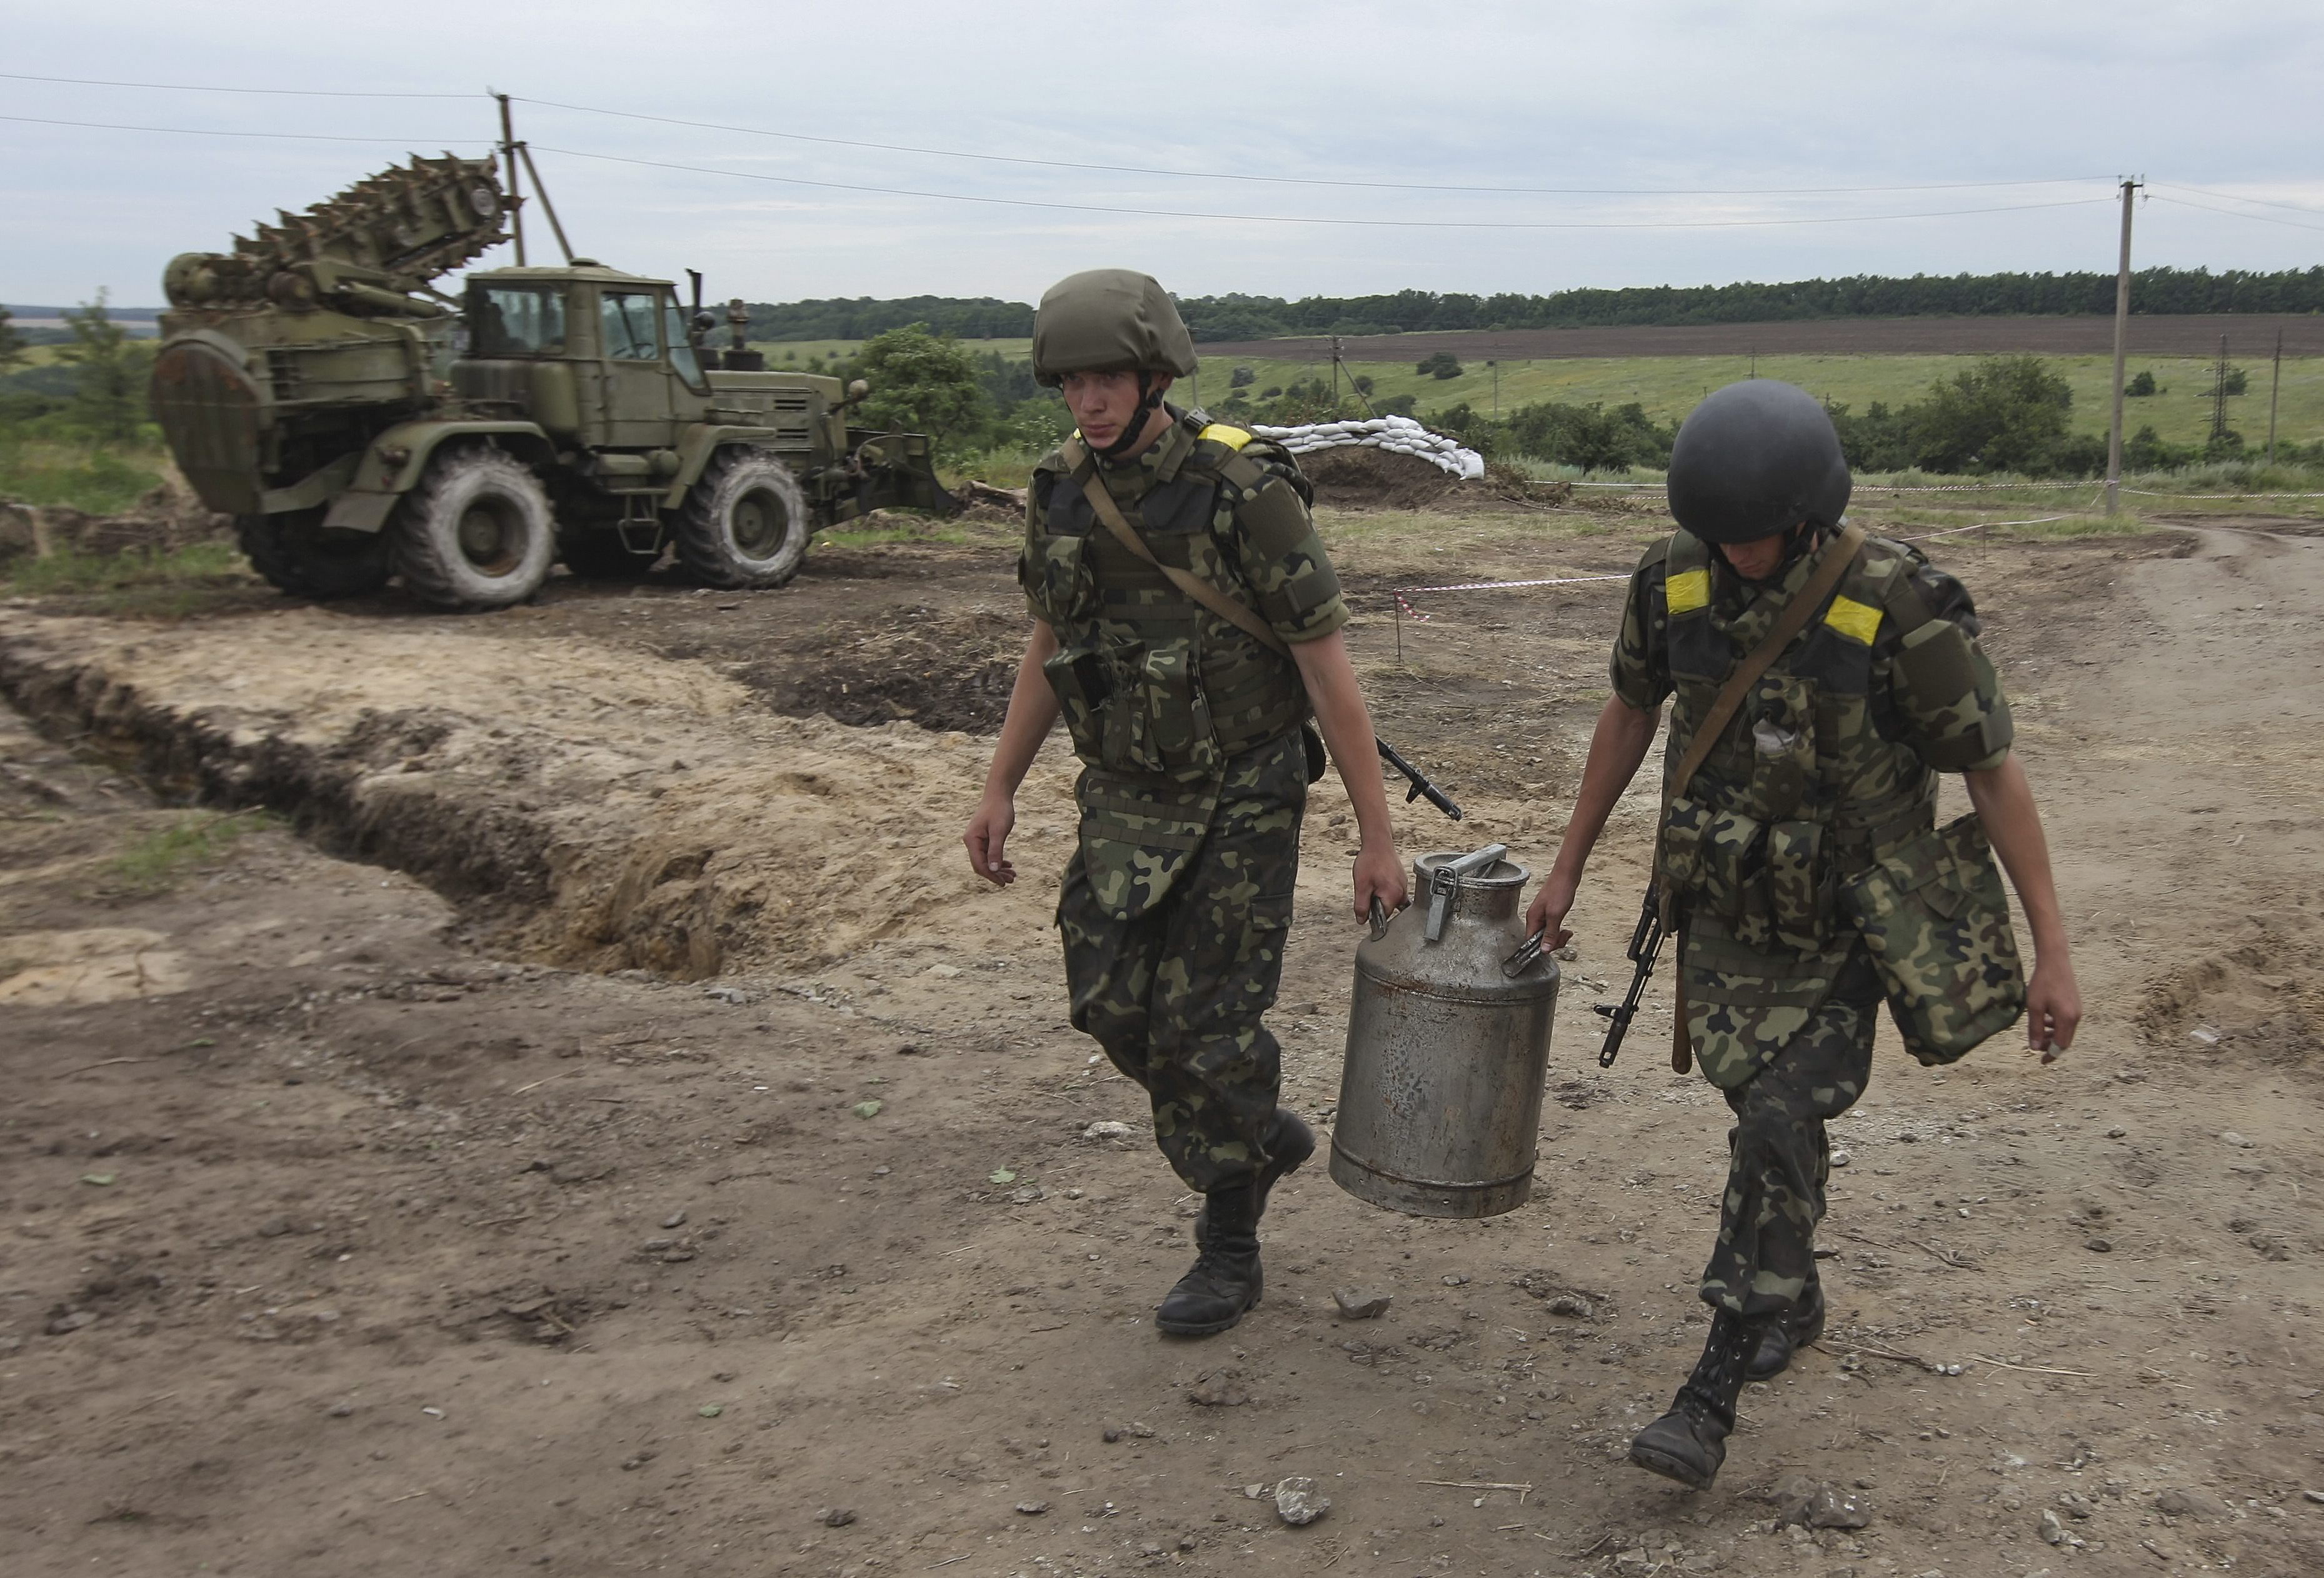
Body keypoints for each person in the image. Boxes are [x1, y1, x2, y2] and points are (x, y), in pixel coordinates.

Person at [1525, 378, 2081, 1489]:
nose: (1735, 553)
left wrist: (2052, 949)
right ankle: (1796, 1290)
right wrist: (1568, 863)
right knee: (1757, 1110)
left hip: (1851, 920)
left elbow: (1988, 768)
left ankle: (1711, 1387)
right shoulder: (1670, 580)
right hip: (1727, 906)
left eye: (1755, 535)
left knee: (1780, 1110)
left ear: (1811, 515)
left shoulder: (1897, 603)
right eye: (1718, 533)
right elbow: (1630, 711)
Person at [963, 269, 1410, 1337]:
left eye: (1109, 379)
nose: (1089, 401)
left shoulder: (1239, 489)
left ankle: (1228, 1236)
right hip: (1124, 789)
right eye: (1072, 383)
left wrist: (1375, 835)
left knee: (1206, 1027)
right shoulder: (1057, 489)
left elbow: (1324, 664)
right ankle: (1257, 1133)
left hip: (1242, 787)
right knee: (1111, 1004)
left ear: (1154, 376)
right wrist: (998, 784)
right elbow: (1049, 641)